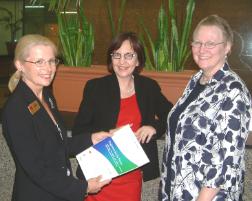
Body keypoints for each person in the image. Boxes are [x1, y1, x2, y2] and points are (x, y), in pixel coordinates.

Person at [2, 34, 110, 201]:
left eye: (52, 61)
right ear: (20, 65)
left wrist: (91, 139)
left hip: (57, 192)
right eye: (39, 62)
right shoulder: (16, 108)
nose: (48, 68)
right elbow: (36, 169)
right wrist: (83, 187)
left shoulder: (46, 95)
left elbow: (58, 144)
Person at [159, 15, 252, 201]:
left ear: (227, 47)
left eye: (210, 43)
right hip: (178, 190)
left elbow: (226, 161)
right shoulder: (196, 80)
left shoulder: (233, 91)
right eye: (197, 43)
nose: (202, 49)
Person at [72, 32, 173, 201]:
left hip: (131, 176)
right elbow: (79, 130)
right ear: (111, 59)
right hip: (100, 175)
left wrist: (154, 127)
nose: (122, 62)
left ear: (138, 60)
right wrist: (107, 135)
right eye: (117, 55)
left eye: (129, 55)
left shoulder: (148, 87)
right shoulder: (95, 88)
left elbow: (171, 113)